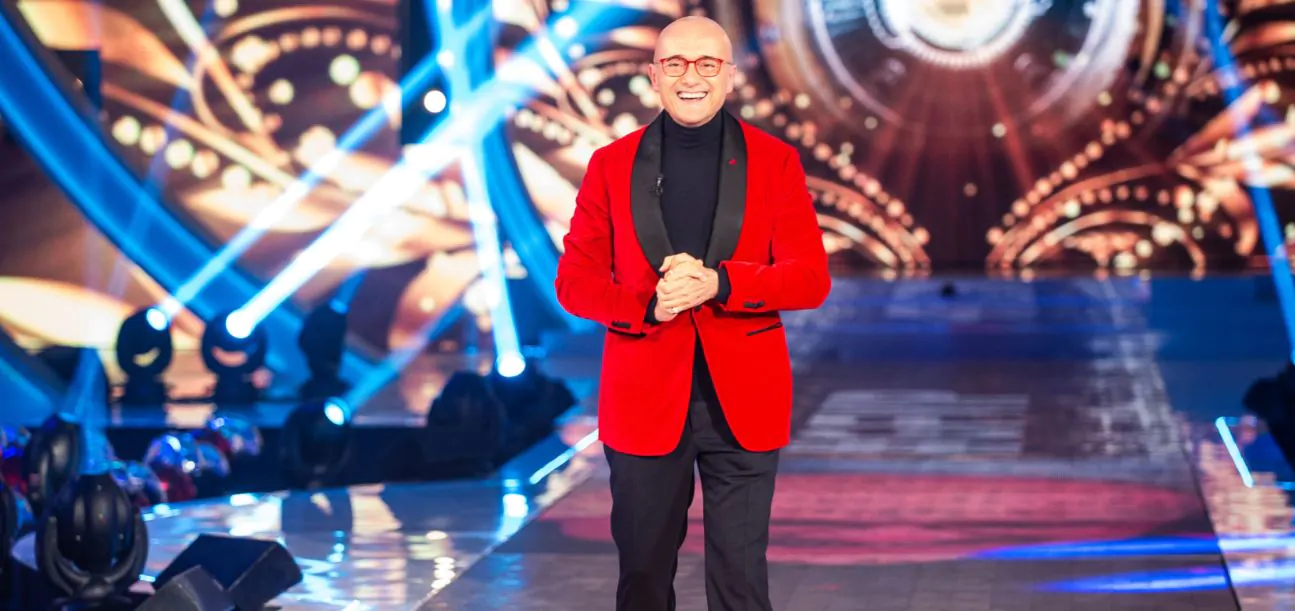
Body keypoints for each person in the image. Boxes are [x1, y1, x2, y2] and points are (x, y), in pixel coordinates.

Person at [555, 15, 831, 611]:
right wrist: (647, 305)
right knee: (644, 578)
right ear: (654, 76)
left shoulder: (775, 162)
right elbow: (574, 284)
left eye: (707, 64)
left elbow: (810, 280)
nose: (691, 77)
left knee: (741, 583)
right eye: (676, 64)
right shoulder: (610, 165)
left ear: (730, 76)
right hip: (643, 400)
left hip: (745, 401)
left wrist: (720, 283)